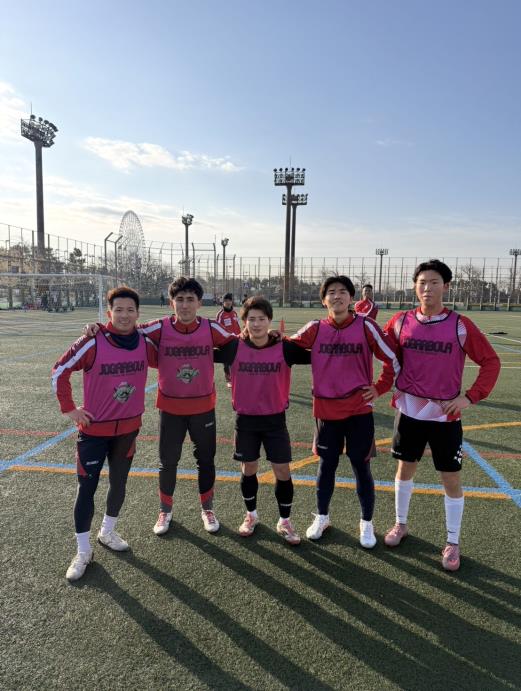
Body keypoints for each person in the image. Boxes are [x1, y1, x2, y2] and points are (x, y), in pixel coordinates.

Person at [382, 259, 500, 571]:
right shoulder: (400, 321)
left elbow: (491, 362)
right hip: (408, 411)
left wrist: (469, 397)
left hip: (444, 417)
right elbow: (379, 349)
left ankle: (452, 541)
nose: (427, 288)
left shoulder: (460, 325)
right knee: (404, 468)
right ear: (414, 286)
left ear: (446, 287)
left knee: (450, 477)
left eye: (434, 282)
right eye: (422, 282)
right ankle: (401, 524)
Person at [52, 286, 157, 582]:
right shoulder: (93, 340)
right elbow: (59, 370)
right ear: (109, 312)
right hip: (94, 433)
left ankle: (107, 532)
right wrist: (70, 409)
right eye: (118, 310)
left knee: (119, 483)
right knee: (86, 489)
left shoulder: (145, 340)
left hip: (128, 430)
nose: (124, 315)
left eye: (130, 310)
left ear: (138, 313)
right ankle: (83, 551)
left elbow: (174, 347)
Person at [290, 275, 399, 547]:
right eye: (331, 292)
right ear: (323, 300)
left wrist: (380, 387)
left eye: (342, 291)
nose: (336, 296)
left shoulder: (366, 325)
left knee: (361, 467)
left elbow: (393, 357)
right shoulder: (315, 328)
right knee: (326, 466)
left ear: (351, 298)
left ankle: (366, 523)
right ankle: (322, 517)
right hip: (326, 412)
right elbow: (286, 347)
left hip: (359, 411)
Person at [215, 296, 310, 544]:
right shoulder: (234, 347)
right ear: (244, 322)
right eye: (251, 319)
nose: (256, 324)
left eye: (261, 319)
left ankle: (285, 521)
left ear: (270, 321)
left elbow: (319, 352)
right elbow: (201, 350)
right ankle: (251, 515)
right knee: (249, 468)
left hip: (275, 421)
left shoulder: (284, 347)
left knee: (282, 470)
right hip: (245, 421)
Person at [215, 293, 241, 387]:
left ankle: (237, 378)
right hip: (225, 341)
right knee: (226, 361)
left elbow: (237, 325)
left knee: (236, 359)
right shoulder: (220, 314)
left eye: (229, 300)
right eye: (226, 301)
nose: (228, 302)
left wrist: (240, 335)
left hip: (236, 339)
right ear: (223, 302)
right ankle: (229, 380)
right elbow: (217, 328)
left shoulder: (234, 313)